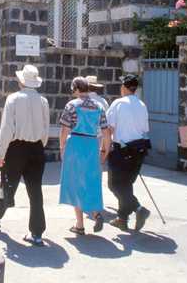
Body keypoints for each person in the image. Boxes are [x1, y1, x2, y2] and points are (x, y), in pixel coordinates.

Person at [0, 64, 50, 246]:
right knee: (35, 191)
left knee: (8, 184)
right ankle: (37, 232)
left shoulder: (13, 99)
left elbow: (6, 129)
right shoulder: (43, 101)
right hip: (36, 148)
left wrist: (1, 153)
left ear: (21, 82)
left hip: (16, 148)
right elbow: (46, 129)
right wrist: (39, 145)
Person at [59, 77, 111, 235]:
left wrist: (62, 147)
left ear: (76, 89)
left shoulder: (72, 105)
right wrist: (104, 151)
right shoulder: (99, 106)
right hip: (92, 144)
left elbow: (64, 130)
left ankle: (80, 224)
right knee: (91, 181)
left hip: (75, 144)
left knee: (76, 183)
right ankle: (95, 212)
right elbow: (106, 132)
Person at [105, 74, 151, 232]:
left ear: (124, 87)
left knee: (115, 185)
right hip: (139, 149)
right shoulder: (142, 105)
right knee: (126, 185)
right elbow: (145, 129)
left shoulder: (118, 103)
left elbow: (109, 129)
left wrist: (104, 148)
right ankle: (122, 219)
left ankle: (139, 209)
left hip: (121, 150)